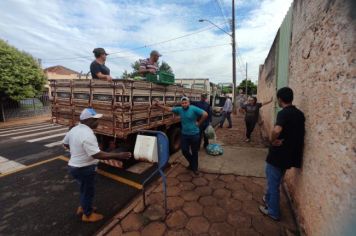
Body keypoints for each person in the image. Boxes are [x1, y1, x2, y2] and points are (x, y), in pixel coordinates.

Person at [63, 108, 132, 222]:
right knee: (88, 191)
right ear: (88, 120)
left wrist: (77, 152)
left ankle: (84, 207)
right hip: (84, 168)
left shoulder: (74, 129)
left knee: (84, 189)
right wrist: (118, 155)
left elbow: (65, 143)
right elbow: (97, 154)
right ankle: (88, 215)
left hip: (74, 167)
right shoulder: (87, 134)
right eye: (95, 120)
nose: (98, 122)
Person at [259, 87, 305, 221]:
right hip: (290, 155)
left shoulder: (283, 113)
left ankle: (273, 211)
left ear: (280, 99)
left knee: (273, 183)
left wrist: (272, 140)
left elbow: (277, 129)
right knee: (276, 180)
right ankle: (267, 199)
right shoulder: (299, 114)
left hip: (278, 155)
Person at [155, 97, 208, 175]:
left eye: (186, 102)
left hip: (194, 135)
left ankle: (194, 168)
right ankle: (192, 163)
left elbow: (205, 114)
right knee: (184, 151)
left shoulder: (193, 108)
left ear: (189, 103)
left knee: (194, 152)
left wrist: (199, 123)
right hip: (184, 135)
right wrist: (159, 105)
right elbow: (169, 109)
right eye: (183, 103)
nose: (184, 104)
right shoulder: (180, 109)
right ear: (181, 104)